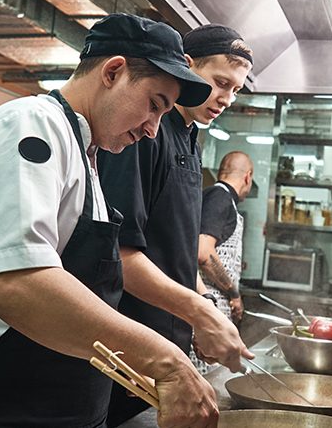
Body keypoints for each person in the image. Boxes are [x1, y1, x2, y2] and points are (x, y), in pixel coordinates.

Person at [0, 13, 220, 428]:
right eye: (154, 105)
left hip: (58, 407)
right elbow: (17, 284)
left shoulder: (87, 155)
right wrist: (167, 361)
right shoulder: (30, 124)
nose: (153, 130)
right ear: (114, 71)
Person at [97, 24, 255, 425]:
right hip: (127, 348)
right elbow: (120, 253)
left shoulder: (190, 139)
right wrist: (200, 314)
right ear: (186, 67)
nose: (226, 98)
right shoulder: (141, 132)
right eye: (220, 82)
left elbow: (176, 249)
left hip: (165, 350)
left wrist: (203, 311)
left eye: (235, 89)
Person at [191, 151, 253, 374]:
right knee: (202, 381)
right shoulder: (220, 198)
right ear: (248, 177)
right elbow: (203, 252)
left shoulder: (214, 196)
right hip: (206, 308)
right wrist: (233, 292)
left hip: (207, 312)